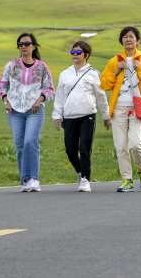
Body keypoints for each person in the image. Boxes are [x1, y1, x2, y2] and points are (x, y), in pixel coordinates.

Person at [100, 26, 141, 192]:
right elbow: (104, 84)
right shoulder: (114, 61)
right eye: (125, 36)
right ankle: (127, 179)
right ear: (122, 41)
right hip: (118, 108)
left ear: (137, 40)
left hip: (138, 108)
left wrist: (140, 68)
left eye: (131, 36)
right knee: (121, 147)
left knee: (136, 144)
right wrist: (117, 71)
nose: (128, 39)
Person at [0, 32, 55, 192]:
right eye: (20, 44)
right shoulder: (11, 65)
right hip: (14, 111)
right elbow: (0, 85)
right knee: (19, 145)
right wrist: (6, 101)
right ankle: (26, 179)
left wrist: (39, 100)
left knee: (31, 141)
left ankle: (34, 178)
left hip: (34, 110)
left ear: (34, 46)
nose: (23, 46)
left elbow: (50, 89)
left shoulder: (42, 67)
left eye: (27, 44)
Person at [52, 40, 111, 192]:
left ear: (86, 55)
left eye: (78, 52)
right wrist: (57, 116)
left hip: (87, 116)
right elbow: (60, 96)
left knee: (85, 148)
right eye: (73, 52)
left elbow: (101, 96)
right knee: (70, 151)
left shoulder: (93, 74)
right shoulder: (65, 74)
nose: (75, 55)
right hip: (69, 116)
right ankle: (79, 172)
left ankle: (85, 178)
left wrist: (107, 116)